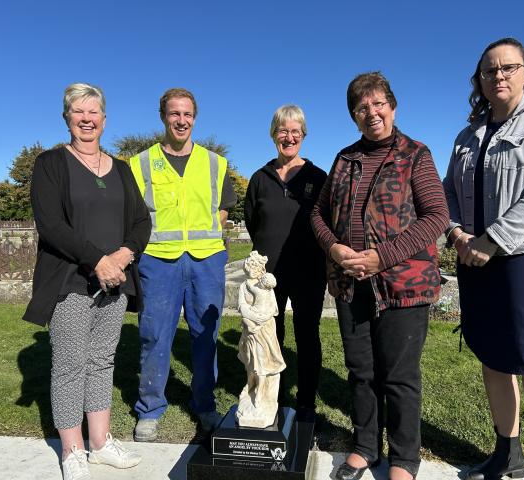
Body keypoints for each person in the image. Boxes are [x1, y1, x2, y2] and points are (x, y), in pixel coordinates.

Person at [443, 38, 524, 480]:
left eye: (507, 67)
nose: (497, 75)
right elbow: (447, 192)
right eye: (488, 70)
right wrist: (458, 233)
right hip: (475, 255)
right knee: (493, 359)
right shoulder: (467, 136)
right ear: (478, 81)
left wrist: (493, 239)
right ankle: (508, 454)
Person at [311, 72, 449, 480]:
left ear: (392, 106)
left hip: (402, 285)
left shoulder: (415, 154)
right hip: (351, 284)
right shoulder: (345, 158)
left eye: (377, 104)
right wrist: (334, 248)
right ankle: (366, 446)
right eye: (361, 108)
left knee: (399, 376)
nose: (371, 113)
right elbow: (318, 214)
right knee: (361, 371)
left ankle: (404, 459)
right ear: (353, 116)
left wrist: (380, 258)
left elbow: (436, 217)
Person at [23, 83, 151, 480]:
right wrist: (97, 259)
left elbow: (141, 222)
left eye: (93, 112)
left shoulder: (122, 169)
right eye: (78, 112)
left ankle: (99, 443)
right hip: (71, 282)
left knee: (101, 362)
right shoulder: (51, 164)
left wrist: (121, 258)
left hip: (114, 284)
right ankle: (72, 449)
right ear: (67, 118)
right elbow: (51, 224)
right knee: (69, 365)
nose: (86, 119)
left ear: (104, 119)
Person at [129, 87, 237, 442]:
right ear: (163, 116)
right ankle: (149, 409)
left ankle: (204, 404)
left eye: (187, 114)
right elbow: (132, 215)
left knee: (205, 335)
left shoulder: (214, 163)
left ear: (195, 118)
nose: (181, 120)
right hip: (159, 262)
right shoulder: (139, 164)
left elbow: (225, 207)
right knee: (154, 334)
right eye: (175, 114)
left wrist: (211, 233)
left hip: (206, 260)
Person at [244, 104, 327, 421]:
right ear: (273, 134)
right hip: (267, 277)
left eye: (295, 131)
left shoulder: (317, 178)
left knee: (307, 336)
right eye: (283, 131)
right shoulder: (260, 179)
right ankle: (271, 399)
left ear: (303, 136)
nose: (289, 137)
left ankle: (306, 402)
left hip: (308, 273)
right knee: (268, 338)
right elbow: (254, 223)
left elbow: (327, 223)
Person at [236, 252, 286, 426]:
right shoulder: (244, 286)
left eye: (254, 267)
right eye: (248, 266)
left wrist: (260, 319)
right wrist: (250, 320)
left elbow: (273, 309)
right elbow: (242, 306)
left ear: (261, 269)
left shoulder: (266, 288)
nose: (250, 269)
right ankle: (250, 386)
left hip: (264, 331)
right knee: (250, 361)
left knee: (262, 361)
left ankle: (261, 394)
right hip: (250, 329)